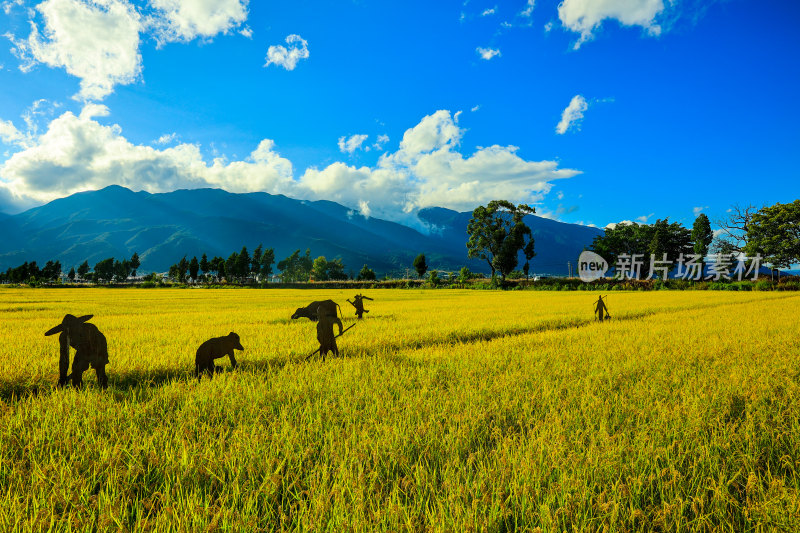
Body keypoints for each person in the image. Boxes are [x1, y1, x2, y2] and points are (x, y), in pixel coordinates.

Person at [44, 314, 109, 388]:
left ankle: (104, 389)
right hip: (81, 349)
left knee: (99, 367)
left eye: (74, 327)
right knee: (76, 369)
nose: (72, 330)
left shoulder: (90, 329)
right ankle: (77, 390)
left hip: (99, 345)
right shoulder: (64, 337)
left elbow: (94, 349)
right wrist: (62, 377)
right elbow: (64, 358)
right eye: (68, 329)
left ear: (79, 325)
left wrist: (88, 362)